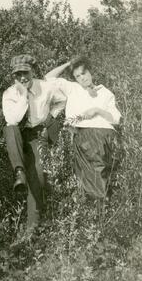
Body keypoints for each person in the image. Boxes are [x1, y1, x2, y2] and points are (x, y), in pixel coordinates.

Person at [2, 54, 66, 229]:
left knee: (37, 179)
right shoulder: (9, 93)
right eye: (18, 74)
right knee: (9, 128)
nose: (22, 78)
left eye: (26, 73)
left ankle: (32, 229)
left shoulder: (46, 87)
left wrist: (49, 118)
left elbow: (62, 100)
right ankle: (19, 172)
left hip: (38, 135)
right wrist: (23, 96)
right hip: (19, 136)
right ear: (13, 76)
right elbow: (12, 120)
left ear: (32, 72)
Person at [45, 56, 121, 201]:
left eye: (84, 73)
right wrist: (69, 63)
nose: (82, 78)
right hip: (82, 136)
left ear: (90, 72)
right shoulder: (73, 88)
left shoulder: (105, 92)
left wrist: (97, 110)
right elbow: (48, 78)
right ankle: (98, 212)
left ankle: (99, 213)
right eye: (77, 76)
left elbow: (116, 119)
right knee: (86, 178)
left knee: (95, 177)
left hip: (101, 135)